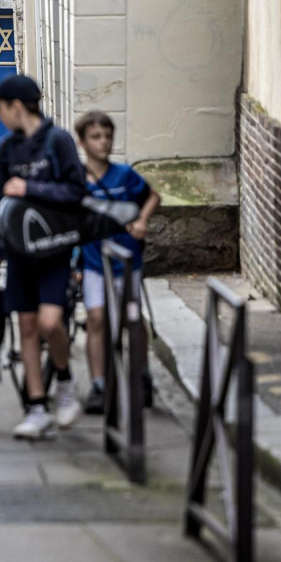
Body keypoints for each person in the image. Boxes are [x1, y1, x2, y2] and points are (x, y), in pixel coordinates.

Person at [0, 75, 87, 440]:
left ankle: (64, 381)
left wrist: (31, 187)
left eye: (1, 106)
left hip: (54, 247)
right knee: (26, 327)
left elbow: (76, 191)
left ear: (18, 107)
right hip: (19, 251)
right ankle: (37, 406)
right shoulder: (5, 149)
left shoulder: (58, 141)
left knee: (49, 323)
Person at [74, 110, 161, 414]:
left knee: (131, 320)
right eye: (96, 137)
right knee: (96, 319)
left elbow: (153, 196)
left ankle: (141, 374)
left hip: (128, 261)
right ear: (82, 142)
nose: (104, 142)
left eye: (108, 136)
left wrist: (142, 220)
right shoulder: (76, 182)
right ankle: (99, 384)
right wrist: (75, 265)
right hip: (94, 262)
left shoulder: (125, 175)